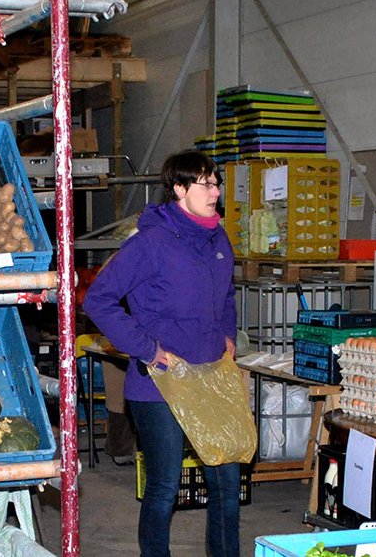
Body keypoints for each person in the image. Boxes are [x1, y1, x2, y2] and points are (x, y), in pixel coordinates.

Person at [83, 151, 242, 557]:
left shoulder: (218, 239)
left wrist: (227, 334)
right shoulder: (149, 244)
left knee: (227, 481)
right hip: (159, 384)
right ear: (179, 189)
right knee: (165, 486)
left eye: (216, 183)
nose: (215, 191)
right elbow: (99, 300)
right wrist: (147, 349)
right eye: (205, 184)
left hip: (210, 379)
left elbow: (226, 294)